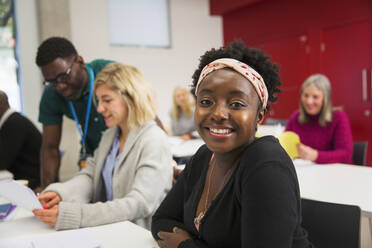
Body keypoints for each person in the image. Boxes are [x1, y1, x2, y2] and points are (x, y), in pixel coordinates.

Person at [151, 41, 311, 248]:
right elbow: (161, 221)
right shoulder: (204, 156)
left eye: (237, 104)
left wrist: (186, 245)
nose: (218, 114)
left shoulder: (266, 166)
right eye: (206, 102)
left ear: (259, 115)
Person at [32, 63, 173, 230]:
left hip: (141, 236)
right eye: (98, 100)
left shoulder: (153, 139)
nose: (99, 108)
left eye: (107, 100)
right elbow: (90, 176)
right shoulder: (110, 135)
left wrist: (77, 215)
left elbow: (140, 203)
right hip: (112, 231)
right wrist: (60, 193)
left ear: (132, 98)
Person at [35, 37, 113, 190]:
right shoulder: (51, 94)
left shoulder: (110, 74)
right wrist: (47, 191)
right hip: (92, 161)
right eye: (51, 82)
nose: (60, 86)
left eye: (64, 76)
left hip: (124, 157)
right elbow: (50, 148)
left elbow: (146, 116)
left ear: (79, 61)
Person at [285, 74, 353, 164]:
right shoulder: (296, 117)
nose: (309, 101)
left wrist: (316, 156)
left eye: (315, 97)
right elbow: (284, 147)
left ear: (325, 99)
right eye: (305, 95)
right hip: (307, 172)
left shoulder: (338, 117)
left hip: (336, 172)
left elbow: (345, 154)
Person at [0, 90, 42, 190]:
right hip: (26, 180)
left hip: (34, 185)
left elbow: (2, 161)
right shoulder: (12, 121)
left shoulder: (13, 124)